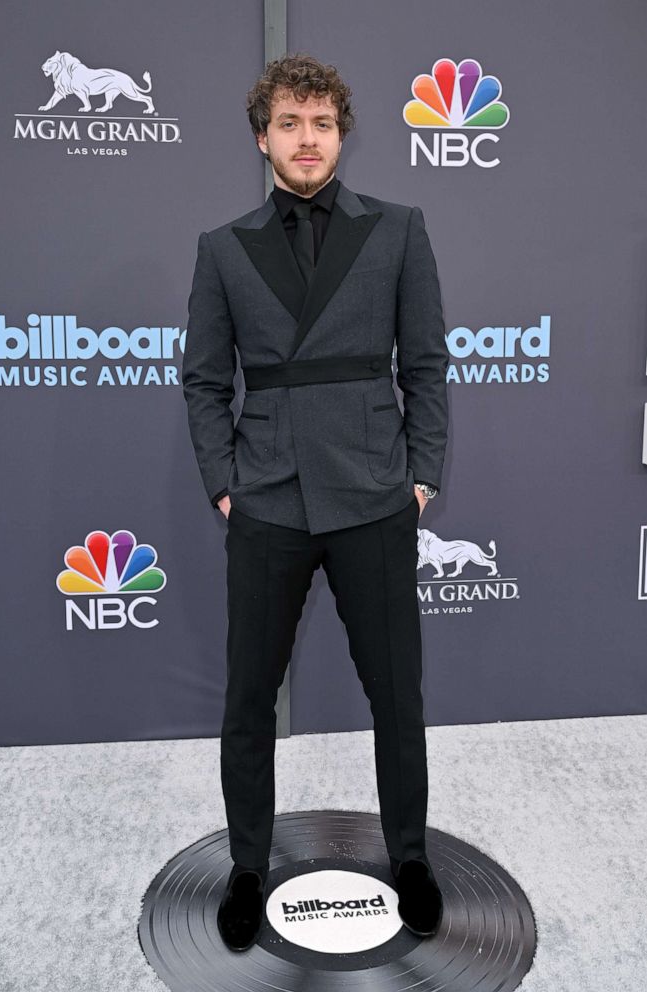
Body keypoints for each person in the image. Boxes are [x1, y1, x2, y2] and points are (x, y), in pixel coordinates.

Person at [182, 52, 449, 952]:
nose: (307, 139)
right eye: (290, 124)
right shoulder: (223, 249)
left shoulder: (400, 229)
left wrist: (422, 472)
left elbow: (424, 366)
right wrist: (224, 481)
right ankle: (248, 867)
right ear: (264, 139)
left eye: (322, 123)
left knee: (396, 695)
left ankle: (408, 858)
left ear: (341, 133)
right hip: (267, 497)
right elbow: (204, 380)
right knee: (248, 699)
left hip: (374, 490)